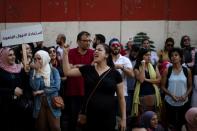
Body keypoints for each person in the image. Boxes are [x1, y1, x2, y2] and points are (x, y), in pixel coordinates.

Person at [62, 43, 126, 131]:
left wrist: (123, 119)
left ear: (106, 55)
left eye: (99, 50)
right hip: (89, 117)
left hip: (108, 117)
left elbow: (121, 98)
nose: (95, 51)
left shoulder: (115, 74)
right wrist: (65, 54)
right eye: (95, 49)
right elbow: (67, 72)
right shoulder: (88, 69)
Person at [63, 31, 94, 131]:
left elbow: (93, 68)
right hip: (73, 92)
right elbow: (67, 69)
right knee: (72, 120)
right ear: (78, 42)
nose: (88, 43)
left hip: (89, 92)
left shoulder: (93, 53)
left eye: (89, 40)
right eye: (85, 40)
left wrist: (76, 66)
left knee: (88, 120)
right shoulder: (70, 52)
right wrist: (86, 66)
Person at [161, 47, 192, 131]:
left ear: (180, 57)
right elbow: (162, 86)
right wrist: (171, 95)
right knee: (170, 124)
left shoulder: (187, 70)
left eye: (176, 55)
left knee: (181, 124)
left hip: (183, 102)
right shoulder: (167, 70)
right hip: (169, 102)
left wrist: (185, 95)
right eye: (171, 55)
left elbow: (190, 86)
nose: (173, 57)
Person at [29, 50, 61, 131]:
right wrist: (37, 72)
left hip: (52, 101)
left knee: (55, 127)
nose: (37, 61)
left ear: (45, 58)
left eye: (39, 58)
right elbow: (35, 87)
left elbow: (56, 87)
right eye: (35, 59)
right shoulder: (33, 72)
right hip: (39, 102)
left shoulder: (53, 70)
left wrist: (42, 91)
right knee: (42, 127)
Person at [131, 48, 162, 118]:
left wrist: (147, 80)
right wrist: (143, 66)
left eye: (149, 55)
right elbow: (141, 80)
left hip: (153, 94)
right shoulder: (137, 68)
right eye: (146, 55)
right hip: (142, 95)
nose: (149, 57)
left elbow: (159, 80)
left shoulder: (154, 66)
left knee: (153, 116)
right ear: (142, 56)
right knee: (143, 116)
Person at [0, 47, 24, 131]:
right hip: (6, 108)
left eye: (13, 54)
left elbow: (23, 84)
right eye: (10, 55)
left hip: (19, 106)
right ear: (3, 57)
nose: (13, 57)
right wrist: (12, 91)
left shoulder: (18, 68)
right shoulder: (1, 70)